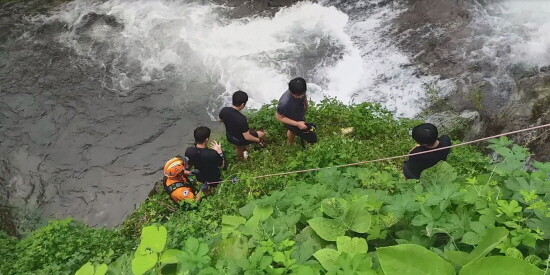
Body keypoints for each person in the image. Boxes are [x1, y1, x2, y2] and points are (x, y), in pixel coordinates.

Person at [219, 91, 266, 159]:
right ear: (243, 104)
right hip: (240, 140)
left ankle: (241, 158)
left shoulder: (224, 110)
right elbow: (247, 137)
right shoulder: (242, 119)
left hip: (230, 136)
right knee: (262, 134)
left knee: (239, 148)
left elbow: (221, 119)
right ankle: (262, 145)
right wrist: (257, 140)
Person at [275, 77, 317, 146]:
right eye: (298, 95)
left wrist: (306, 105)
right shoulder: (284, 103)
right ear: (292, 92)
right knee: (293, 130)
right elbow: (279, 117)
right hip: (290, 119)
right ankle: (290, 143)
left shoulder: (301, 90)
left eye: (303, 93)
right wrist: (297, 124)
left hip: (298, 114)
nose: (301, 96)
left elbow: (304, 96)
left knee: (293, 131)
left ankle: (292, 139)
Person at [185, 126, 226, 194]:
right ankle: (213, 190)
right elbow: (222, 166)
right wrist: (220, 152)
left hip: (200, 177)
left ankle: (207, 192)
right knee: (222, 157)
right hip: (214, 178)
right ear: (206, 140)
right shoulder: (212, 153)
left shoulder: (189, 151)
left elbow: (188, 166)